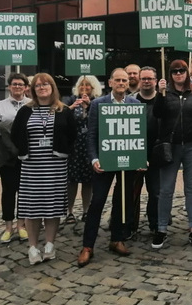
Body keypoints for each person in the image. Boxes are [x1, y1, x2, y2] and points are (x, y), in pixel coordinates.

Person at [12, 73, 77, 265]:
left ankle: (50, 245)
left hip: (55, 166)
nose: (42, 88)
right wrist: (23, 151)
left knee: (52, 207)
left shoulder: (64, 110)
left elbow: (72, 134)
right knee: (32, 208)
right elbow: (15, 134)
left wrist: (63, 150)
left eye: (45, 84)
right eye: (38, 85)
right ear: (33, 90)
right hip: (31, 167)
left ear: (52, 87)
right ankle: (32, 247)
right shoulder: (25, 111)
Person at [78, 69, 139, 266]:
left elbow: (138, 133)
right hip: (104, 161)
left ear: (128, 83)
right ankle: (88, 246)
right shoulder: (98, 104)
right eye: (118, 80)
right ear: (110, 83)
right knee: (97, 202)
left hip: (126, 161)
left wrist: (139, 158)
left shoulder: (135, 104)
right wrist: (94, 159)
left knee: (122, 201)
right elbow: (91, 135)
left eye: (124, 80)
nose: (121, 83)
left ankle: (117, 239)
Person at [152, 59, 192, 249]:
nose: (178, 74)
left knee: (191, 189)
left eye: (181, 71)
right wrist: (160, 94)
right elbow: (157, 113)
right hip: (170, 147)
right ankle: (161, 229)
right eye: (174, 71)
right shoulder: (165, 92)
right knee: (166, 189)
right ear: (170, 74)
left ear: (187, 73)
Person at [0, 73, 30, 244]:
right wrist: (13, 129)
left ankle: (21, 225)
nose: (17, 87)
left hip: (27, 154)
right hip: (6, 154)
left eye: (20, 84)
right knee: (8, 191)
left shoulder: (31, 104)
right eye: (14, 84)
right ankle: (8, 227)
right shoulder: (0, 105)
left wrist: (8, 128)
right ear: (9, 87)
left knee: (24, 192)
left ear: (26, 87)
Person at [64, 75, 102, 225]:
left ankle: (86, 211)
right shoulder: (70, 100)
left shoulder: (97, 102)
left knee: (88, 181)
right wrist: (71, 108)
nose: (84, 88)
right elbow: (62, 117)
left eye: (88, 86)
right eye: (82, 85)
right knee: (71, 181)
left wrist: (89, 107)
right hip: (74, 147)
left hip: (89, 147)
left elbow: (100, 121)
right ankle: (69, 211)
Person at [129, 66, 161, 234]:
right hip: (134, 151)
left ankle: (155, 224)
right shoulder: (129, 101)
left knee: (155, 192)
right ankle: (130, 225)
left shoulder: (163, 100)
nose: (147, 81)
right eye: (144, 78)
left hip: (156, 153)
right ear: (139, 81)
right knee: (132, 191)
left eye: (150, 78)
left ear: (155, 81)